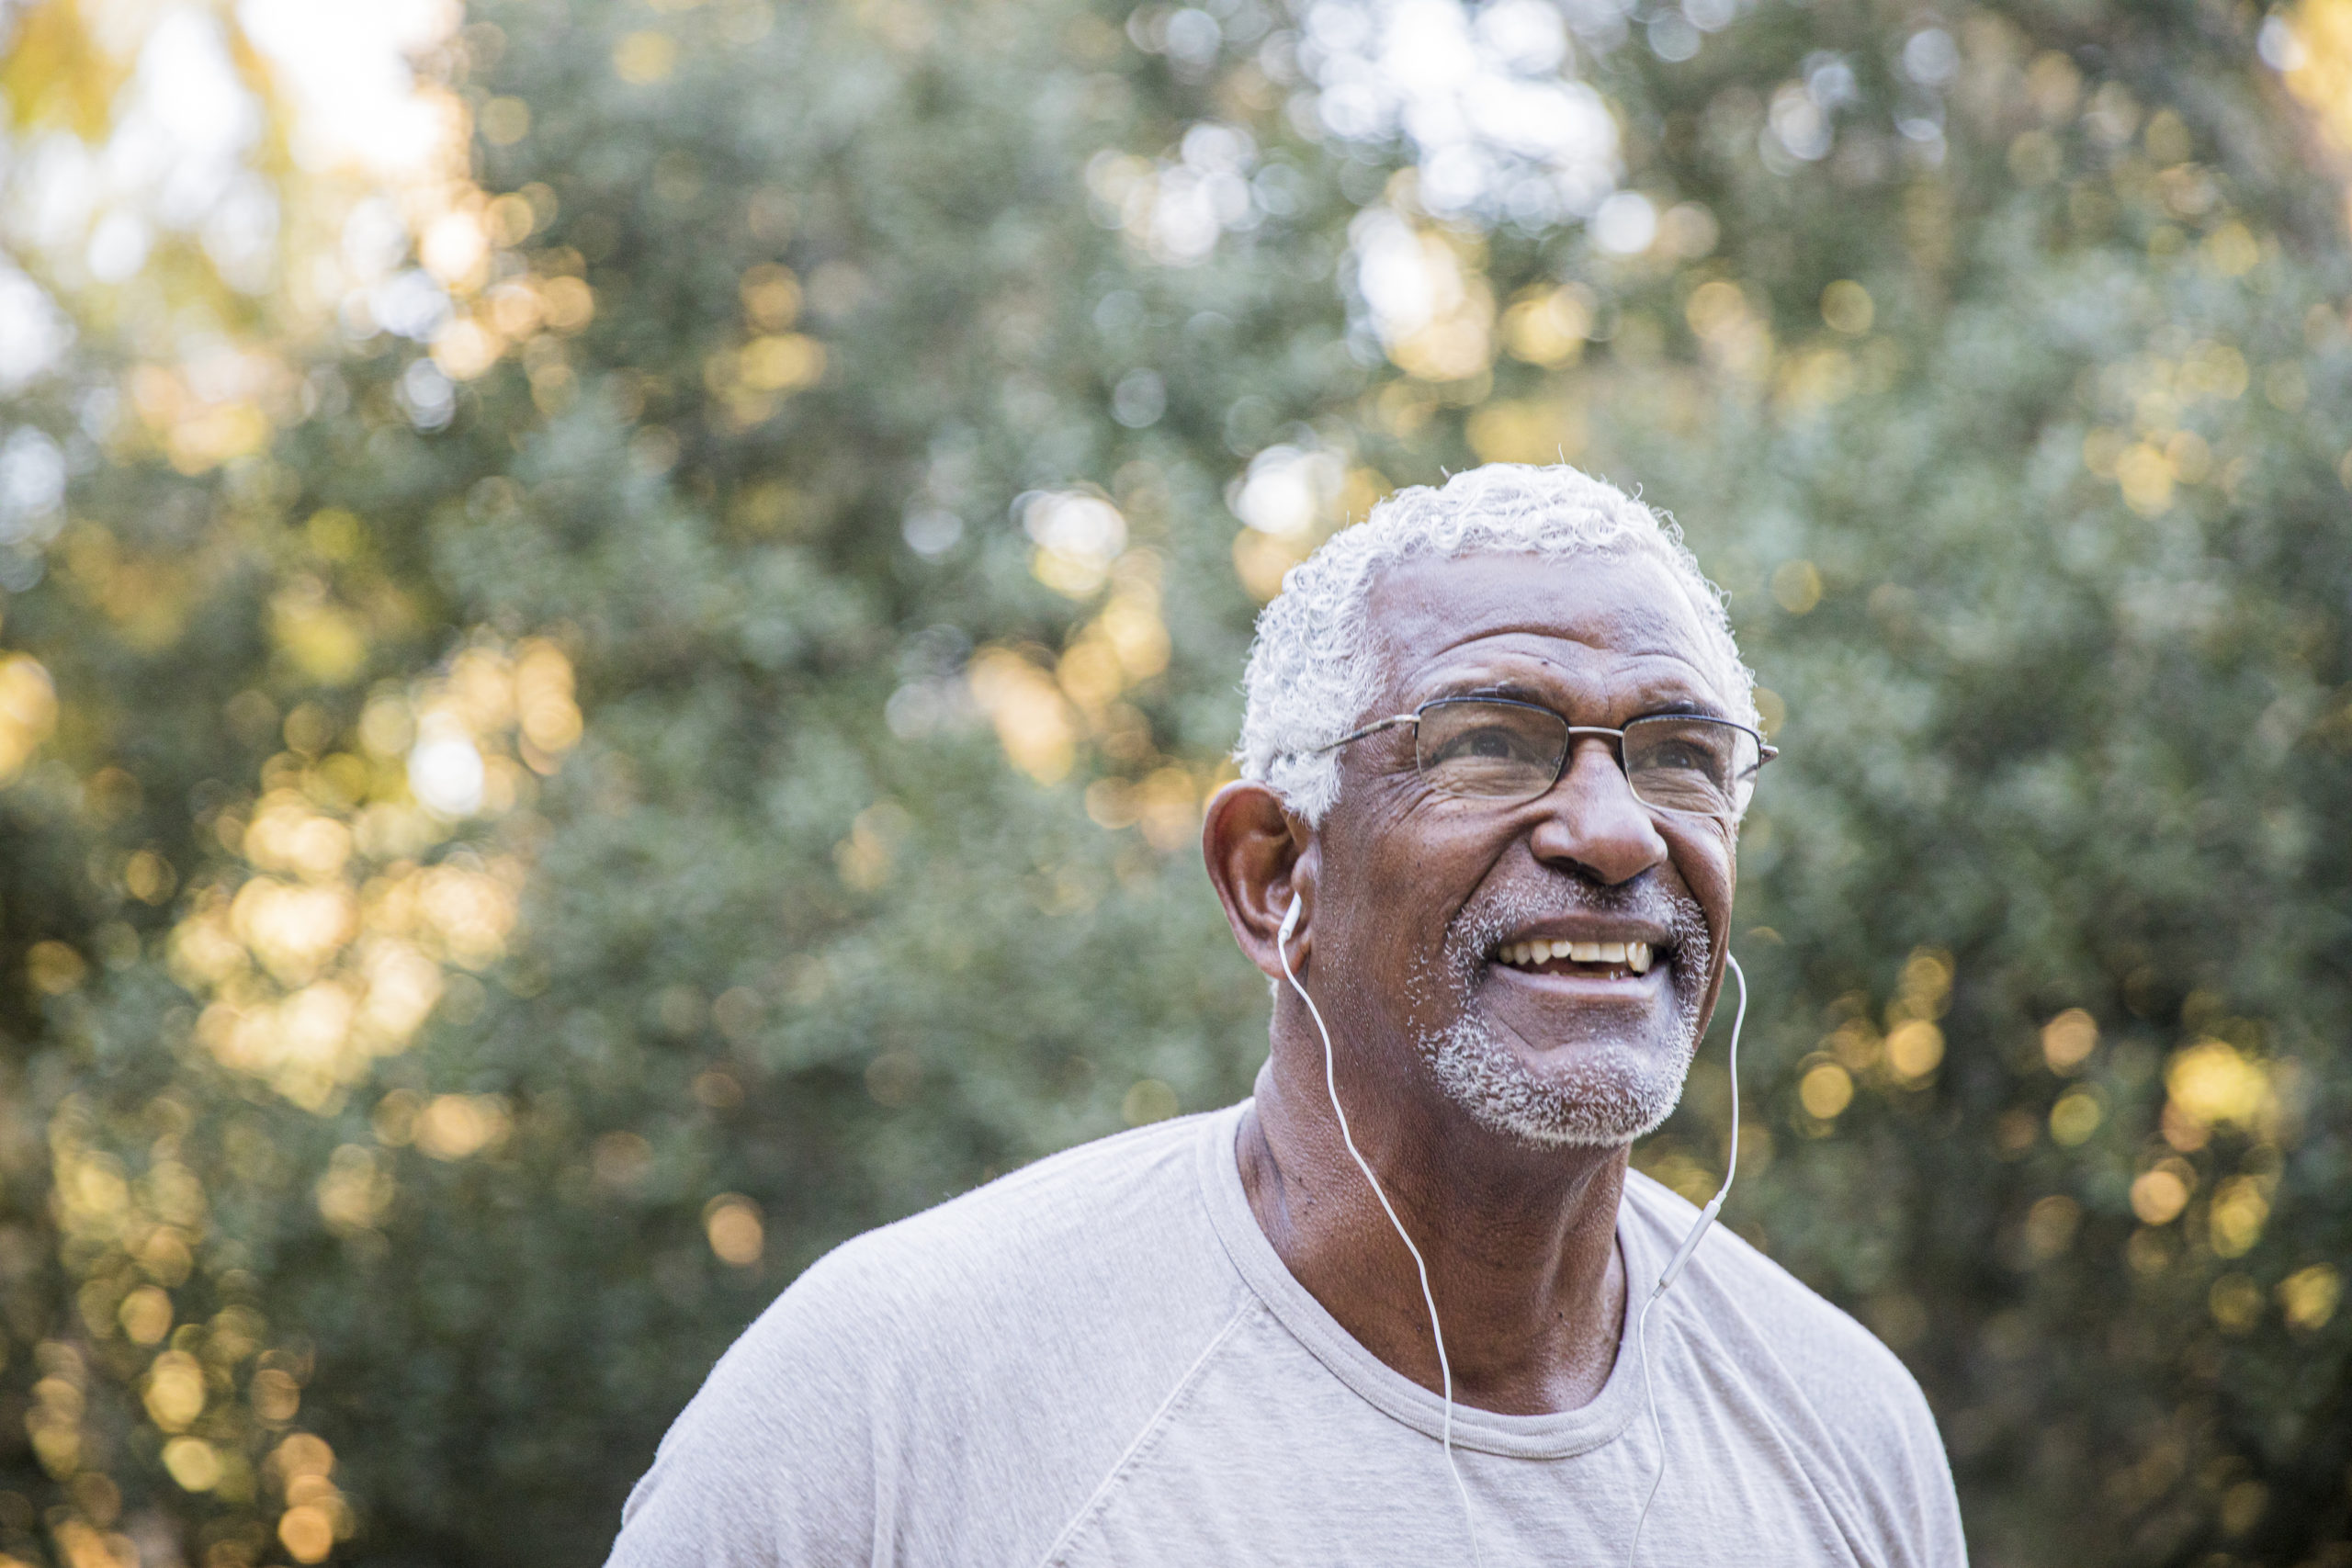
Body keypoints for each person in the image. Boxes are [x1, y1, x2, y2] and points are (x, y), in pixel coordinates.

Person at [606, 464, 1967, 1566]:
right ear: (1273, 877)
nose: (1615, 833)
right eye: (1491, 742)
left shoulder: (1846, 1433)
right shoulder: (901, 1391)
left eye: (1682, 759)